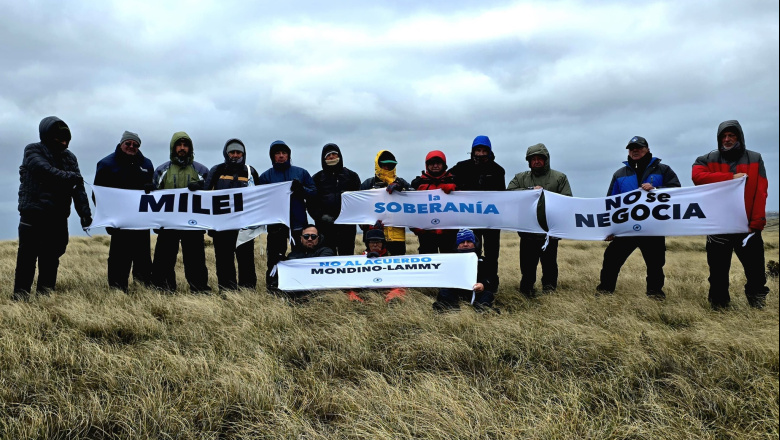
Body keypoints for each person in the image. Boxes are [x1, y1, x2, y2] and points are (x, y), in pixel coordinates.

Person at [692, 120, 769, 309]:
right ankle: (719, 307)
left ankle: (757, 303)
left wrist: (757, 222)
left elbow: (761, 191)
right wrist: (729, 178)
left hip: (748, 227)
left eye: (731, 135)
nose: (727, 139)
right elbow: (698, 177)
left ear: (739, 137)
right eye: (723, 136)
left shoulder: (755, 158)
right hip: (719, 227)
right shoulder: (706, 159)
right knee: (718, 272)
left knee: (756, 272)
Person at [13, 116, 92, 301]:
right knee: (27, 259)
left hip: (58, 218)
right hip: (33, 215)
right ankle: (20, 300)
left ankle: (45, 298)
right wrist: (71, 177)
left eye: (67, 140)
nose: (64, 143)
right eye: (60, 139)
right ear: (47, 136)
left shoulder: (70, 157)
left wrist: (85, 214)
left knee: (51, 259)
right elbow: (45, 171)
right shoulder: (32, 150)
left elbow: (78, 187)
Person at [596, 136, 680, 300]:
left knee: (655, 264)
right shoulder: (619, 174)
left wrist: (656, 189)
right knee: (611, 259)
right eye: (631, 148)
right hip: (626, 228)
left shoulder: (663, 170)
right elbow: (611, 202)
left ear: (647, 150)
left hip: (652, 228)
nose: (635, 150)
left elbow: (676, 191)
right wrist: (610, 229)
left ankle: (655, 295)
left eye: (639, 147)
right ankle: (604, 292)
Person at [507, 143, 572, 297]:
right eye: (533, 159)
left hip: (549, 233)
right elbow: (509, 193)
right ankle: (526, 293)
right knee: (527, 267)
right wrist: (530, 191)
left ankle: (549, 293)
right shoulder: (520, 178)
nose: (536, 161)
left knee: (550, 266)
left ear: (546, 159)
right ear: (529, 161)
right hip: (527, 232)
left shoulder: (560, 178)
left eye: (539, 158)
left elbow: (567, 200)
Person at [94, 130, 154, 292]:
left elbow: (154, 193)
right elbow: (98, 195)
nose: (131, 146)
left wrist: (152, 188)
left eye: (136, 144)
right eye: (128, 143)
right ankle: (117, 292)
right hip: (119, 224)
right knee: (119, 260)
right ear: (121, 143)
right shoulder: (106, 164)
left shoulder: (147, 164)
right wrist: (107, 220)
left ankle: (143, 291)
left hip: (141, 223)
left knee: (143, 259)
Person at [150, 132, 211, 293]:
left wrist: (201, 187)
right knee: (164, 258)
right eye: (179, 145)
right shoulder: (162, 170)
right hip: (168, 223)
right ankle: (163, 289)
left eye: (185, 145)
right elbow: (153, 197)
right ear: (173, 147)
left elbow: (211, 193)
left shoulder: (202, 170)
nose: (182, 148)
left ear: (190, 148)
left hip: (193, 224)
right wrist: (156, 221)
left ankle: (199, 289)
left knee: (195, 259)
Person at [202, 138, 261, 291]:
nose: (235, 155)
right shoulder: (217, 170)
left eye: (238, 152)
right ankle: (227, 292)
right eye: (232, 152)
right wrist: (210, 224)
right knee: (224, 261)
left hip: (244, 226)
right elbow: (206, 196)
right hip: (222, 226)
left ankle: (248, 291)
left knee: (246, 260)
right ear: (226, 153)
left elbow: (260, 196)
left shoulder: (250, 171)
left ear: (243, 154)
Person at [257, 140, 316, 290]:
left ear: (289, 155)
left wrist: (301, 189)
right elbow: (259, 199)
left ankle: (303, 285)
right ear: (272, 156)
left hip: (298, 223)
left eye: (284, 153)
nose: (281, 156)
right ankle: (273, 286)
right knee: (275, 257)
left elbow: (314, 193)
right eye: (277, 153)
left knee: (301, 256)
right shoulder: (265, 177)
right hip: (276, 224)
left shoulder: (301, 173)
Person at [449, 135, 505, 288]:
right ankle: (469, 283)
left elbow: (503, 196)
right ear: (472, 151)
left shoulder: (498, 170)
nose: (481, 154)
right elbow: (444, 178)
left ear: (489, 151)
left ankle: (490, 284)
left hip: (492, 221)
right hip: (470, 219)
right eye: (478, 150)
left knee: (492, 254)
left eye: (484, 150)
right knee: (471, 252)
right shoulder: (462, 167)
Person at [308, 143, 361, 255]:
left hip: (347, 227)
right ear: (323, 158)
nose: (331, 156)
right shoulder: (317, 178)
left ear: (339, 156)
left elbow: (359, 200)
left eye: (334, 154)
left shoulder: (352, 176)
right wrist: (320, 216)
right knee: (327, 256)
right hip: (325, 227)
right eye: (328, 155)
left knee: (346, 257)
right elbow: (311, 202)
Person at [359, 150, 412, 255]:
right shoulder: (368, 185)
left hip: (397, 238)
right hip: (374, 237)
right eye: (384, 165)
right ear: (378, 165)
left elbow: (416, 200)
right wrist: (369, 226)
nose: (387, 167)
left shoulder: (401, 183)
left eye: (390, 165)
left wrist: (402, 189)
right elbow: (359, 212)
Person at [432, 229, 496, 311]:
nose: (465, 244)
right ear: (457, 245)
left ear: (475, 243)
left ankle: (482, 310)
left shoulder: (483, 261)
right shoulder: (450, 261)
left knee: (487, 295)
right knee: (444, 292)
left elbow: (493, 278)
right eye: (462, 242)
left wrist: (483, 284)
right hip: (456, 291)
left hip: (476, 291)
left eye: (469, 241)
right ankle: (451, 309)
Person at [410, 150, 457, 254]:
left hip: (449, 233)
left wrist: (456, 189)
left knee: (449, 261)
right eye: (432, 163)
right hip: (426, 233)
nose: (435, 166)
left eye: (438, 163)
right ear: (427, 165)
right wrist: (416, 228)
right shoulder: (417, 183)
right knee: (429, 262)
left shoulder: (455, 181)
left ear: (444, 165)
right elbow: (409, 208)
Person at [347, 228, 406, 302]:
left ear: (383, 243)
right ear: (367, 244)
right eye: (372, 242)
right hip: (366, 286)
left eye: (378, 242)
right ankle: (357, 302)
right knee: (349, 289)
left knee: (400, 287)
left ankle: (391, 300)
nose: (375, 245)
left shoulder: (391, 258)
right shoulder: (361, 259)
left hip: (387, 285)